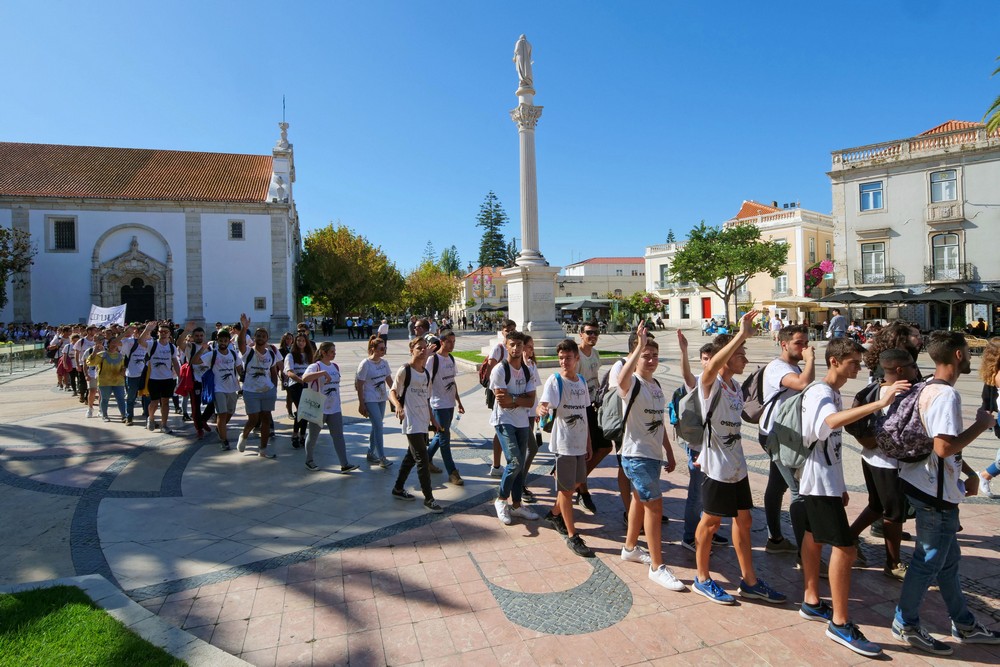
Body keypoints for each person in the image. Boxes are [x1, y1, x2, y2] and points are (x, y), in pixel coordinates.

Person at [797, 338, 910, 657]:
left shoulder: (831, 392)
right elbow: (829, 423)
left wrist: (841, 482)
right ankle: (840, 622)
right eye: (853, 362)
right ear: (835, 362)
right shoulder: (821, 392)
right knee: (845, 549)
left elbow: (830, 444)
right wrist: (880, 402)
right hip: (818, 484)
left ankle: (811, 600)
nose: (859, 366)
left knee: (813, 538)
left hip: (824, 481)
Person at [892, 331, 1000, 655]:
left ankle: (964, 623)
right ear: (957, 355)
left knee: (949, 562)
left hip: (922, 482)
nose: (971, 356)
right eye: (968, 350)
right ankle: (905, 623)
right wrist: (981, 425)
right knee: (928, 561)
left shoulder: (926, 385)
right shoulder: (946, 396)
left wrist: (967, 474)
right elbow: (943, 447)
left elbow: (942, 447)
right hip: (933, 495)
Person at [693, 311, 786, 605]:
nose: (745, 359)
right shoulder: (711, 384)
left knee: (744, 520)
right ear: (728, 355)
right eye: (741, 354)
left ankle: (750, 581)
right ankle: (702, 578)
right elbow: (712, 370)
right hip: (717, 467)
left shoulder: (734, 387)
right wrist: (740, 335)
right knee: (710, 522)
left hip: (737, 467)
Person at [616, 322, 685, 592]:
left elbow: (659, 423)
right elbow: (621, 380)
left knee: (639, 501)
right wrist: (638, 346)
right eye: (647, 355)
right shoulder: (632, 382)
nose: (652, 359)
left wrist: (668, 450)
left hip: (652, 454)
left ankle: (630, 548)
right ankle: (657, 566)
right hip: (636, 455)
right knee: (655, 506)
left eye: (655, 355)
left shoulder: (655, 385)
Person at [847, 349, 918, 580]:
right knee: (894, 513)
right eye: (912, 365)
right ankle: (893, 563)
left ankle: (849, 537)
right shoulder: (899, 395)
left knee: (877, 505)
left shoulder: (877, 388)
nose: (915, 370)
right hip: (888, 463)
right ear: (899, 370)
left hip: (869, 457)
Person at [758, 324, 816, 559]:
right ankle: (806, 555)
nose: (804, 347)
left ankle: (775, 539)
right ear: (784, 344)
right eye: (798, 343)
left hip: (784, 433)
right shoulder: (777, 368)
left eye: (805, 343)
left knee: (777, 484)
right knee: (798, 491)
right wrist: (811, 359)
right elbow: (804, 384)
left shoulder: (793, 365)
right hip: (776, 435)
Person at [537, 339, 595, 557]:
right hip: (564, 445)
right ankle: (572, 535)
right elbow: (544, 404)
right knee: (566, 491)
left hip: (580, 444)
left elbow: (584, 414)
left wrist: (588, 442)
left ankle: (553, 513)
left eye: (568, 358)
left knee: (576, 484)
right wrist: (541, 409)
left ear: (576, 359)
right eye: (561, 358)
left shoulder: (580, 381)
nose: (564, 362)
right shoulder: (554, 381)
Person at [675, 332, 729, 552]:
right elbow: (686, 375)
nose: (708, 362)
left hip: (718, 447)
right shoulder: (699, 381)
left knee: (712, 495)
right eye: (704, 359)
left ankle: (709, 531)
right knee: (697, 495)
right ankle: (690, 536)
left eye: (711, 358)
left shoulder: (723, 382)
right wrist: (684, 350)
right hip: (698, 447)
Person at [388, 337, 443, 511]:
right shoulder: (405, 370)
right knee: (422, 458)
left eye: (424, 348)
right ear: (411, 350)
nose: (422, 350)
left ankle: (398, 488)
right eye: (418, 348)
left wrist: (433, 420)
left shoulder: (426, 373)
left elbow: (426, 398)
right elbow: (393, 391)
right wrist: (398, 405)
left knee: (411, 456)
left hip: (422, 420)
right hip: (410, 420)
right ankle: (429, 498)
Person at [491, 331, 539, 525]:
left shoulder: (527, 370)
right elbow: (502, 402)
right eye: (512, 345)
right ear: (506, 345)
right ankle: (501, 500)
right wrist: (519, 399)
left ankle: (517, 505)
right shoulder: (500, 370)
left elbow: (531, 401)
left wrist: (514, 399)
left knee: (518, 466)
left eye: (519, 345)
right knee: (515, 461)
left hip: (521, 421)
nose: (516, 349)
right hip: (504, 420)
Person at [300, 342, 360, 473]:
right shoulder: (315, 366)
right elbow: (304, 378)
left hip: (335, 408)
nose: (334, 353)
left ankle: (344, 464)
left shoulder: (335, 367)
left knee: (338, 436)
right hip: (319, 407)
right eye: (332, 351)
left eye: (335, 351)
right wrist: (321, 373)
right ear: (323, 352)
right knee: (313, 436)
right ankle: (309, 460)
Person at [575, 321, 614, 514]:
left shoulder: (595, 354)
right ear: (580, 334)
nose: (593, 336)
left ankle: (578, 482)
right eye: (589, 333)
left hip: (594, 405)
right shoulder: (576, 356)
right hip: (581, 408)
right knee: (586, 451)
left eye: (596, 333)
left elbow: (595, 379)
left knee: (606, 447)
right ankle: (582, 490)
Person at [236, 315, 280, 458]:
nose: (261, 337)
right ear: (254, 338)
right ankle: (244, 435)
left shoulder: (271, 354)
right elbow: (240, 342)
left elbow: (273, 372)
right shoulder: (248, 352)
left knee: (266, 418)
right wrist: (245, 328)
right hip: (250, 390)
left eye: (263, 336)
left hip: (267, 391)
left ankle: (263, 449)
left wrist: (274, 387)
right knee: (254, 419)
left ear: (267, 339)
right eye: (258, 335)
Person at [426, 329, 466, 485]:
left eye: (454, 341)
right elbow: (425, 380)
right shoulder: (433, 360)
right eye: (449, 341)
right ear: (441, 342)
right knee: (444, 439)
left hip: (449, 404)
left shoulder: (451, 358)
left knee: (440, 435)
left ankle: (426, 460)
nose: (452, 344)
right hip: (438, 405)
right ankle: (453, 472)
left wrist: (459, 401)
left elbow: (452, 381)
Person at [193, 328, 242, 450]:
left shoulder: (233, 354)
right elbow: (194, 361)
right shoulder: (212, 354)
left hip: (232, 388)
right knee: (222, 413)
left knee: (230, 412)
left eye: (225, 340)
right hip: (218, 388)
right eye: (221, 340)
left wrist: (245, 379)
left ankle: (220, 428)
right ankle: (224, 440)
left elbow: (240, 368)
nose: (223, 343)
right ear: (217, 341)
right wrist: (202, 349)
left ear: (229, 342)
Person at [487, 320, 519, 476]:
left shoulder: (515, 348)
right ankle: (496, 464)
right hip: (499, 392)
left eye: (512, 329)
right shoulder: (499, 348)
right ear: (502, 331)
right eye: (507, 330)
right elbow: (491, 370)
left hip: (513, 393)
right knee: (500, 429)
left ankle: (504, 462)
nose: (510, 332)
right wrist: (496, 391)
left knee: (508, 427)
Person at [356, 336, 394, 468]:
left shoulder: (384, 363)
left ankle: (370, 452)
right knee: (379, 426)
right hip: (370, 399)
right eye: (381, 348)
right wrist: (361, 403)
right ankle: (382, 457)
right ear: (373, 349)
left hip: (381, 398)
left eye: (385, 348)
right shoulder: (365, 364)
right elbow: (359, 385)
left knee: (376, 426)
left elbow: (389, 381)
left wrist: (397, 394)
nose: (383, 351)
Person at [146, 323, 185, 434]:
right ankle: (151, 418)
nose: (163, 334)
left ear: (169, 334)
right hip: (154, 378)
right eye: (161, 331)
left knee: (165, 402)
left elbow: (175, 363)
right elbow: (140, 342)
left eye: (165, 332)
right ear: (158, 333)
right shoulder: (152, 344)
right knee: (154, 402)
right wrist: (147, 329)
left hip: (168, 378)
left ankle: (164, 424)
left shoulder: (172, 347)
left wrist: (180, 377)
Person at [977, 337, 1000, 498]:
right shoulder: (995, 376)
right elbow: (988, 402)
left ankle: (985, 475)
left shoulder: (993, 374)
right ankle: (985, 475)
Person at [283, 333, 314, 449]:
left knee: (305, 411)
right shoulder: (290, 356)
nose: (301, 343)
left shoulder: (309, 355)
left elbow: (314, 370)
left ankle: (302, 435)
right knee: (301, 409)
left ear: (306, 343)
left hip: (307, 386)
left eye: (303, 341)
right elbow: (290, 372)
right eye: (298, 340)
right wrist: (301, 380)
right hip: (296, 385)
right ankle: (295, 434)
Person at [87, 337, 127, 422]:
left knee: (121, 399)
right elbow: (90, 363)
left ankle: (124, 415)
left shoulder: (121, 356)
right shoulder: (102, 354)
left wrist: (123, 370)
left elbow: (123, 367)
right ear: (108, 344)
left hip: (118, 382)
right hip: (105, 382)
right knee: (105, 399)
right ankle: (104, 415)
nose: (114, 345)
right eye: (112, 343)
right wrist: (94, 352)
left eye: (116, 343)